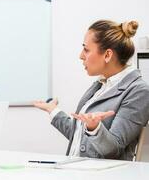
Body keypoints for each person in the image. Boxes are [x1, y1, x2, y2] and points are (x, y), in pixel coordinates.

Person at [34, 20, 149, 160]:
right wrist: (53, 111)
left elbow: (114, 148)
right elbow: (80, 136)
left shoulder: (138, 91)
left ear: (107, 55)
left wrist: (95, 128)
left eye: (86, 49)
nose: (81, 56)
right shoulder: (100, 85)